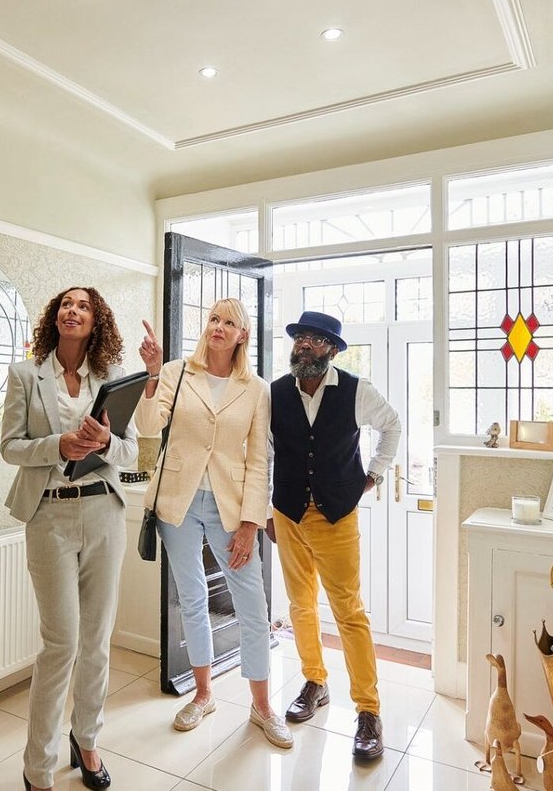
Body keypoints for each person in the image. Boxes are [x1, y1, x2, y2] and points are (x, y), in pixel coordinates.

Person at [134, 299, 292, 749]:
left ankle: (262, 706)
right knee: (192, 598)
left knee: (253, 606)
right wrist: (151, 373)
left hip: (232, 507)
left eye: (228, 322)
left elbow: (259, 460)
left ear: (243, 334)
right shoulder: (178, 372)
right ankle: (203, 695)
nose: (217, 327)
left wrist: (250, 523)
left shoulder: (256, 389)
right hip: (178, 503)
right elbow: (147, 428)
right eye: (213, 319)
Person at [0, 288, 138, 791]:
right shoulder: (25, 375)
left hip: (104, 512)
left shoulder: (113, 379)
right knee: (61, 643)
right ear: (54, 318)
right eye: (65, 305)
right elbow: (10, 447)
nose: (72, 311)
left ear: (96, 321)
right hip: (49, 515)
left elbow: (131, 453)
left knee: (97, 642)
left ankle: (87, 741)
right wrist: (58, 444)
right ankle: (38, 767)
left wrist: (106, 441)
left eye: (83, 306)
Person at [268, 310, 401, 761]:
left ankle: (368, 710)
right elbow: (264, 452)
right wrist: (265, 509)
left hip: (336, 516)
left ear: (332, 350)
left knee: (349, 612)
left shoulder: (356, 390)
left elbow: (392, 425)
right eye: (300, 337)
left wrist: (374, 475)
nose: (304, 344)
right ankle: (315, 681)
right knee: (300, 605)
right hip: (287, 513)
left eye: (315, 338)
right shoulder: (276, 392)